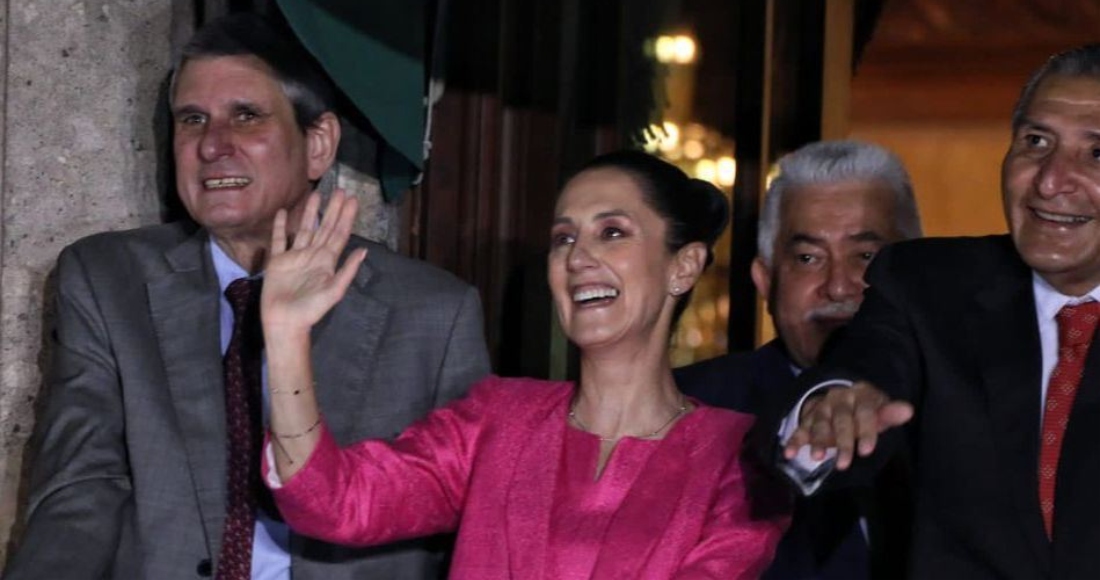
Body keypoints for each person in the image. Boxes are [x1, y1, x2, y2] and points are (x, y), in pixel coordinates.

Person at [4, 14, 490, 580]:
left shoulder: (434, 313)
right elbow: (80, 487)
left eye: (246, 116)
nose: (212, 145)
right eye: (192, 120)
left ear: (318, 144)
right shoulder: (109, 281)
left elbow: (462, 532)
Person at [258, 150, 787, 578]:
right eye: (564, 239)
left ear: (684, 266)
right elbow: (333, 500)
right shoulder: (498, 418)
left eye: (613, 232)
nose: (579, 258)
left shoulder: (738, 461)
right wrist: (285, 338)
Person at [776, 44, 1100, 578]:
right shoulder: (926, 285)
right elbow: (867, 367)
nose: (1050, 181)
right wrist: (830, 405)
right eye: (1036, 142)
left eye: (1095, 154)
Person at [675, 140, 922, 579]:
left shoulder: (981, 405)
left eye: (865, 257)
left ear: (916, 271)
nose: (839, 287)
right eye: (808, 258)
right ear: (765, 281)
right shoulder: (687, 409)